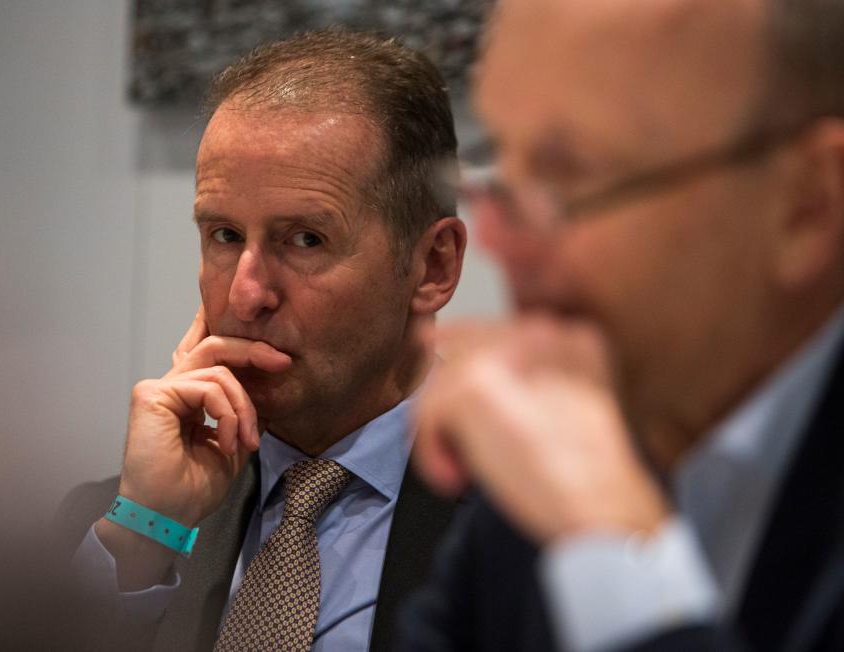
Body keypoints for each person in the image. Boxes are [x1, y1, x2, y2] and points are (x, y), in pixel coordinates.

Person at [401, 0, 844, 650]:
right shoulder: (560, 430)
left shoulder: (570, 468)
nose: (495, 237)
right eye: (502, 161)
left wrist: (611, 547)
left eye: (570, 176)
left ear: (807, 204)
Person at [57, 28, 466, 652]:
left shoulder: (540, 524)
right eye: (223, 235)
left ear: (433, 266)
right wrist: (146, 536)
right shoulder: (119, 521)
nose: (246, 296)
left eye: (305, 239)